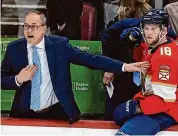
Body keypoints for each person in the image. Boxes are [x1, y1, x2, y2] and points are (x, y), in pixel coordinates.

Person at [1, 10, 149, 124]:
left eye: (34, 26)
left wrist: (123, 66)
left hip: (57, 112)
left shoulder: (59, 46)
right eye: (26, 26)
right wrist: (18, 79)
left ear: (44, 29)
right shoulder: (14, 48)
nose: (29, 31)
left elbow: (90, 59)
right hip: (25, 114)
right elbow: (2, 79)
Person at [113, 9, 178, 135]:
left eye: (153, 29)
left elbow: (164, 99)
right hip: (152, 103)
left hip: (166, 110)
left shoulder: (165, 56)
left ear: (164, 31)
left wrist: (136, 108)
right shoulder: (154, 45)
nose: (148, 33)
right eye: (146, 28)